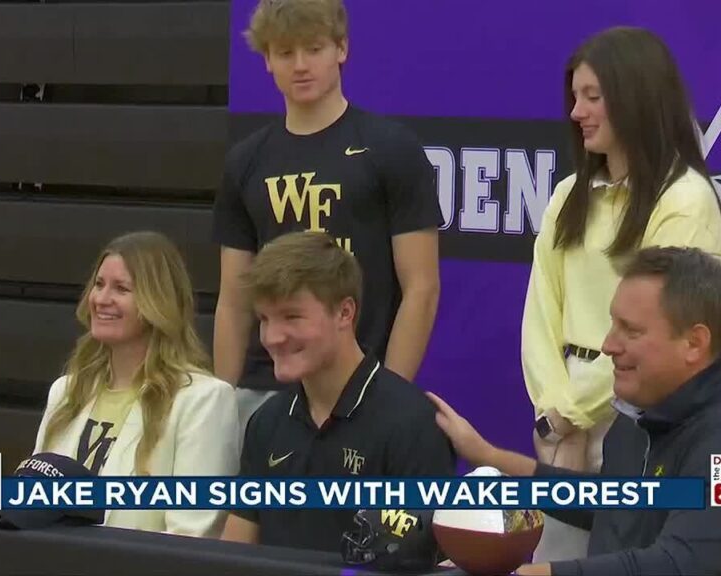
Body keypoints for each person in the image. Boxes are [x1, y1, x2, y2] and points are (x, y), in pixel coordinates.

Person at [430, 246, 721, 576]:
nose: (608, 345)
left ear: (694, 343)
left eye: (631, 330)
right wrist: (490, 456)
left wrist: (543, 573)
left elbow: (681, 564)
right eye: (612, 324)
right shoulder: (634, 420)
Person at [520, 26, 721, 561]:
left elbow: (658, 329)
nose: (576, 112)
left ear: (635, 97)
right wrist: (552, 412)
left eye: (593, 96)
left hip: (637, 425)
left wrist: (574, 414)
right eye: (574, 97)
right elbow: (541, 310)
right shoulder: (569, 193)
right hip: (560, 423)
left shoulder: (684, 199)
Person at [212, 0, 442, 429]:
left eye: (314, 49)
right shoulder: (245, 161)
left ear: (341, 48)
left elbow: (422, 288)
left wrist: (387, 396)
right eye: (285, 52)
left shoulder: (391, 149)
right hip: (263, 390)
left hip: (359, 384)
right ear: (266, 60)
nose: (300, 65)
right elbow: (233, 299)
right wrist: (221, 402)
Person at [219, 230, 455, 552]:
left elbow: (422, 561)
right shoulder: (266, 423)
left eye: (292, 316)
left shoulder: (413, 425)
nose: (272, 337)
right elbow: (233, 555)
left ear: (345, 312)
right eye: (264, 318)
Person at [34, 231, 240, 538]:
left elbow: (192, 537)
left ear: (158, 302)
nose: (102, 299)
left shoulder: (203, 400)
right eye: (99, 285)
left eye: (122, 288)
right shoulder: (65, 391)